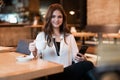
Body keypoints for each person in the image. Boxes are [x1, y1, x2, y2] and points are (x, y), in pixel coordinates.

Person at [29, 3, 94, 80]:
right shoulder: (41, 36)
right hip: (49, 73)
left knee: (87, 65)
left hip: (66, 72)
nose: (56, 20)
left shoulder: (69, 36)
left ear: (63, 19)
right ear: (49, 18)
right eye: (53, 16)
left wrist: (82, 59)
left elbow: (75, 59)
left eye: (59, 17)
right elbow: (33, 60)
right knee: (88, 67)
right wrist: (33, 52)